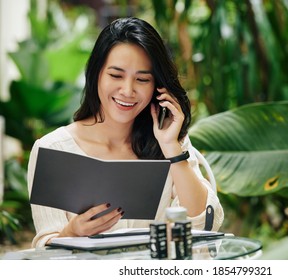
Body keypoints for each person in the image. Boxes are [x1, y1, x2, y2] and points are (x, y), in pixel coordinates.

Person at [27, 17, 224, 248]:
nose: (128, 90)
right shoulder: (53, 149)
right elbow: (44, 252)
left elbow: (204, 225)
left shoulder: (168, 142)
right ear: (96, 74)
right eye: (116, 75)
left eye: (142, 79)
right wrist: (72, 232)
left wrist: (173, 149)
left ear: (156, 86)